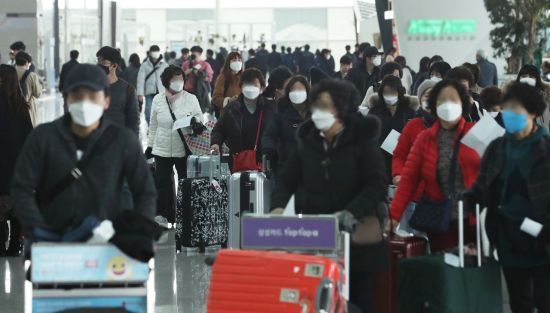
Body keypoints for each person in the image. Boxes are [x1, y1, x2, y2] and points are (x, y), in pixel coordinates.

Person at [270, 79, 388, 313]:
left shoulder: (362, 140)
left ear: (341, 108)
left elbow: (376, 185)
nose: (318, 113)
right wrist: (278, 207)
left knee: (356, 304)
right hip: (318, 241)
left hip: (357, 243)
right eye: (316, 106)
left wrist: (350, 212)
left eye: (325, 106)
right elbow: (286, 180)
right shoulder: (306, 141)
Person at [11, 64, 156, 240]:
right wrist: (39, 230)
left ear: (106, 101)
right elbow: (21, 187)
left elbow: (145, 191)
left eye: (93, 96)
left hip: (109, 245)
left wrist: (135, 233)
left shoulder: (123, 141)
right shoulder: (43, 137)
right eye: (77, 97)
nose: (85, 103)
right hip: (53, 246)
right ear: (66, 100)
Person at [464, 82, 550, 313]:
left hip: (544, 242)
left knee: (545, 302)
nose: (509, 114)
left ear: (532, 112)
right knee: (518, 303)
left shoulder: (546, 147)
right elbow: (483, 186)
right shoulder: (498, 147)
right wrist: (470, 198)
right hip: (508, 237)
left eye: (516, 109)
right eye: (506, 108)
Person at [389, 79, 480, 252]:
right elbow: (408, 180)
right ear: (434, 105)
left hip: (472, 220)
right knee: (445, 268)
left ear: (462, 103)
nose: (448, 105)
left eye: (453, 100)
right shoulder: (424, 139)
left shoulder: (476, 133)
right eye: (441, 100)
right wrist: (394, 216)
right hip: (439, 220)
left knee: (472, 270)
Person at [146, 66, 202, 226]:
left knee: (184, 182)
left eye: (180, 79)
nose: (178, 82)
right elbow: (153, 125)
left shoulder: (190, 98)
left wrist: (196, 123)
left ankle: (184, 215)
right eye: (174, 79)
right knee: (162, 183)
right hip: (161, 147)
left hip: (183, 147)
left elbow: (199, 117)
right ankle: (162, 215)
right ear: (166, 81)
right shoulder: (158, 99)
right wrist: (150, 147)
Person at [210, 68, 275, 168]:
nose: (250, 88)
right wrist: (216, 143)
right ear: (241, 87)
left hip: (265, 162)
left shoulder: (270, 108)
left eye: (254, 85)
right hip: (238, 161)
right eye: (247, 85)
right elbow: (219, 129)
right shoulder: (232, 108)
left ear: (262, 88)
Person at [0, 65, 33, 256]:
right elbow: (29, 139)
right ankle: (15, 246)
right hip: (18, 168)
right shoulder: (21, 107)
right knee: (17, 209)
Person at [368, 76, 417, 178]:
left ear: (399, 92)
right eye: (387, 93)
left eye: (393, 93)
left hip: (403, 159)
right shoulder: (374, 111)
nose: (390, 96)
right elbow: (368, 136)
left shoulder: (409, 111)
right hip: (380, 160)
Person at [262, 75, 310, 176]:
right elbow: (269, 135)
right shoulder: (281, 114)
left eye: (300, 89)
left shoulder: (315, 114)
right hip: (286, 166)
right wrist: (269, 150)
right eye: (293, 89)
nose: (297, 92)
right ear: (288, 93)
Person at [392, 79, 437, 186]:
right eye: (426, 96)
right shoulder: (412, 125)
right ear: (420, 100)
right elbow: (399, 155)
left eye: (434, 96)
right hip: (413, 189)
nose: (430, 99)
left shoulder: (447, 125)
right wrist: (398, 174)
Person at [96, 46, 139, 135]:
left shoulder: (128, 89)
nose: (99, 65)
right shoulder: (91, 88)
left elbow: (133, 121)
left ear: (114, 65)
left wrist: (132, 144)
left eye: (103, 62)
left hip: (119, 141)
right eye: (98, 61)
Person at [137, 45, 168, 125]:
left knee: (162, 112)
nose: (155, 53)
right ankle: (151, 127)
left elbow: (168, 78)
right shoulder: (144, 65)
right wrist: (140, 94)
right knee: (148, 112)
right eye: (153, 51)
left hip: (161, 92)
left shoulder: (164, 65)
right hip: (149, 93)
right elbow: (140, 80)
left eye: (156, 51)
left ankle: (159, 128)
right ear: (150, 53)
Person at [512, 64, 550, 129]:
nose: (527, 78)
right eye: (524, 76)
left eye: (531, 76)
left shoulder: (546, 95)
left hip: (541, 133)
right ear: (519, 78)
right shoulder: (512, 94)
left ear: (537, 78)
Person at [212, 52, 244, 116]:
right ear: (228, 62)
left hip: (242, 114)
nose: (237, 62)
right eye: (234, 60)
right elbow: (215, 98)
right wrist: (229, 100)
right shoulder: (223, 77)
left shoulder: (245, 77)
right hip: (228, 115)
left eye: (239, 60)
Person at [182, 46, 214, 111]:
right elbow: (179, 76)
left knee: (199, 111)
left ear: (200, 54)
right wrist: (186, 73)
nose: (193, 56)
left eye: (194, 54)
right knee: (187, 112)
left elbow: (210, 78)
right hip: (188, 91)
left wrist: (200, 76)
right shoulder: (186, 64)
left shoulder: (205, 64)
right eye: (192, 53)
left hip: (200, 92)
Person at [14, 52, 42, 127]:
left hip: (13, 108)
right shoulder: (32, 75)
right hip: (28, 108)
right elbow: (37, 94)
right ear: (26, 62)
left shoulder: (10, 73)